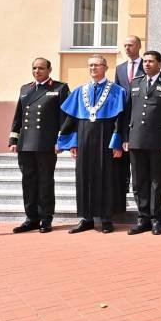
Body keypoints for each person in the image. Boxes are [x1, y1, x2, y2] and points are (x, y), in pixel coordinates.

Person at [57, 55, 126, 234]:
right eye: (90, 65)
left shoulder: (117, 91)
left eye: (96, 65)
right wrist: (72, 143)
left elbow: (121, 119)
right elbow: (71, 119)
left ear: (105, 67)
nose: (93, 68)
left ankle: (106, 218)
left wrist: (117, 143)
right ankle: (86, 218)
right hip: (85, 139)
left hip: (106, 140)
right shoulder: (80, 91)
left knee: (107, 177)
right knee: (84, 177)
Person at [8, 57, 70, 233]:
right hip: (25, 143)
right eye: (34, 68)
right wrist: (13, 139)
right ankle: (31, 218)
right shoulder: (25, 89)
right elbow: (18, 116)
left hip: (46, 144)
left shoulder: (59, 88)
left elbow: (64, 118)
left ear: (49, 70)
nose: (37, 71)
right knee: (28, 182)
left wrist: (61, 140)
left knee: (45, 181)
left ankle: (45, 218)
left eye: (41, 68)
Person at [123, 51, 161, 236]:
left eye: (151, 61)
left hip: (159, 141)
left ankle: (156, 220)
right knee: (139, 182)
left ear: (159, 64)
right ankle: (143, 218)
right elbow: (127, 113)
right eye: (145, 61)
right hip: (136, 140)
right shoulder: (135, 83)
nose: (147, 64)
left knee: (157, 182)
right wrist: (125, 138)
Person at [115, 35, 142, 196]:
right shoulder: (120, 68)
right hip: (125, 115)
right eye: (125, 45)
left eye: (130, 45)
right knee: (124, 153)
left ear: (138, 46)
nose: (127, 48)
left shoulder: (146, 65)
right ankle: (124, 185)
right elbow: (118, 93)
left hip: (140, 113)